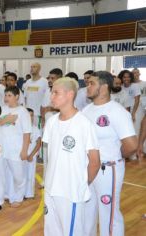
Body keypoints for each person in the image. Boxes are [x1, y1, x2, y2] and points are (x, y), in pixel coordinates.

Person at [43, 77, 100, 236]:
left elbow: (95, 162)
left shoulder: (84, 124)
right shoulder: (51, 122)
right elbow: (51, 158)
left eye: (56, 92)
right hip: (50, 188)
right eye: (51, 92)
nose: (51, 96)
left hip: (70, 192)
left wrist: (80, 183)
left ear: (70, 94)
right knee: (51, 232)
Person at [83, 71, 138, 236]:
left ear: (104, 87)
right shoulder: (86, 110)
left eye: (92, 83)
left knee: (109, 214)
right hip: (88, 168)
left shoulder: (117, 111)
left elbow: (132, 145)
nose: (88, 86)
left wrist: (113, 156)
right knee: (87, 212)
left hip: (108, 170)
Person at [0, 86, 31, 208]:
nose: (6, 98)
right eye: (5, 95)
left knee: (18, 176)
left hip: (16, 149)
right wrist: (6, 119)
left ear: (17, 96)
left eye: (9, 95)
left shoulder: (23, 112)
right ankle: (8, 194)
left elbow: (27, 132)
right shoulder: (2, 109)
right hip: (4, 148)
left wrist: (24, 150)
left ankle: (19, 197)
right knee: (7, 174)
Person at [23, 63, 48, 127]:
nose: (32, 68)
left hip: (38, 114)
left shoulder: (45, 81)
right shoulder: (27, 82)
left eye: (34, 67)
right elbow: (25, 98)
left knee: (38, 134)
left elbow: (47, 98)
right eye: (31, 67)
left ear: (39, 69)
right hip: (28, 114)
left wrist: (43, 115)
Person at [25, 108, 42, 199]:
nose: (30, 117)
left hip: (31, 156)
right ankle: (21, 193)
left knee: (30, 175)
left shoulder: (35, 129)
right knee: (22, 175)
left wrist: (31, 155)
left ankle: (29, 194)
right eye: (28, 115)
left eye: (31, 115)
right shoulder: (21, 128)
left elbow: (39, 143)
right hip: (22, 156)